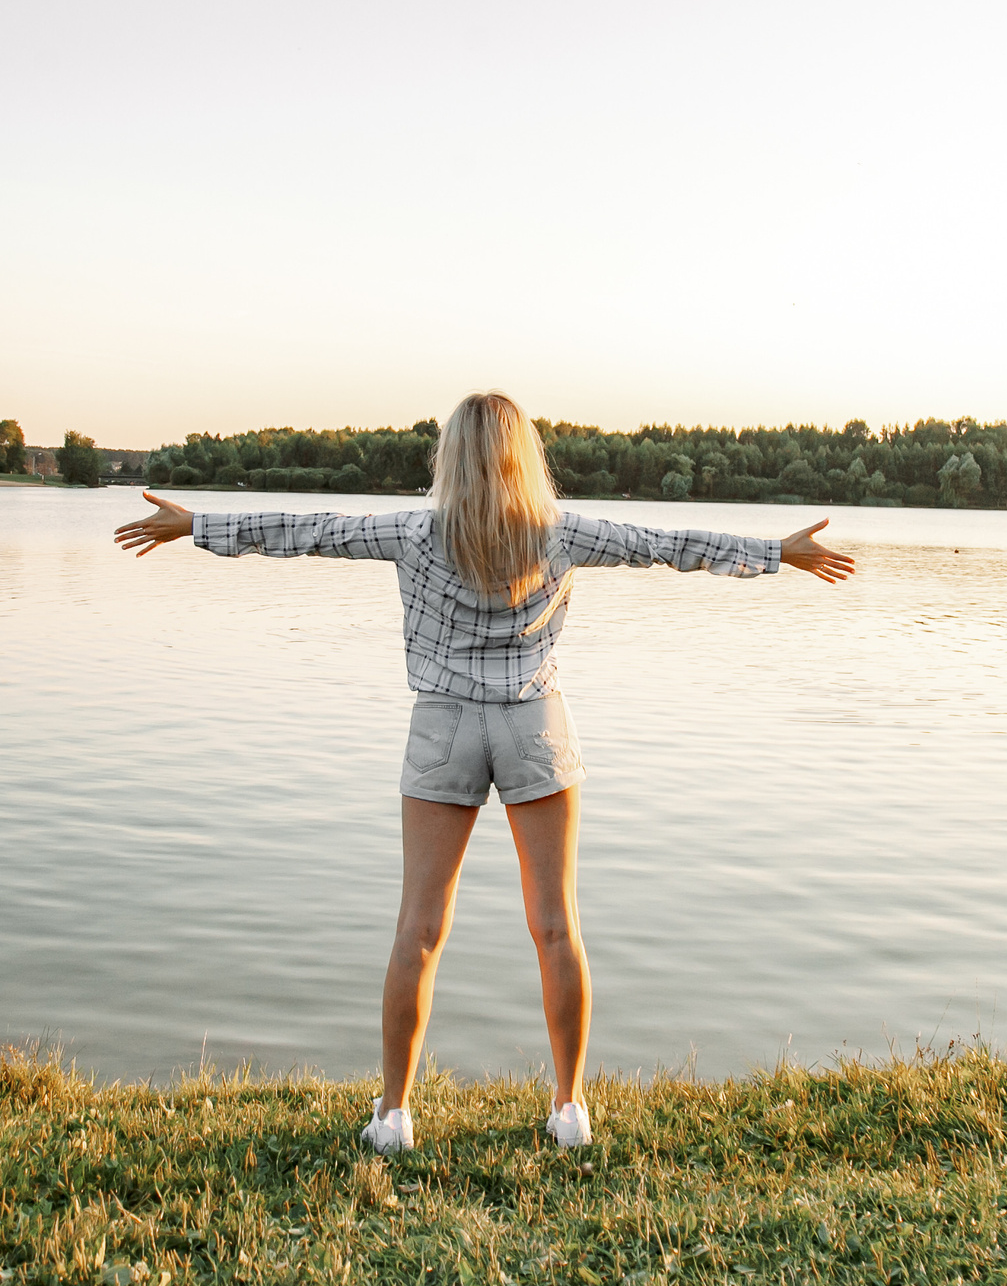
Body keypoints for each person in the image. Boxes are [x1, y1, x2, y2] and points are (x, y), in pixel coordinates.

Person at [115, 392, 854, 1153]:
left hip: (443, 725)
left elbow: (309, 531)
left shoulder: (412, 530)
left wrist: (198, 525)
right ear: (524, 456)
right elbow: (661, 542)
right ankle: (570, 1110)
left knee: (420, 928)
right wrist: (777, 552)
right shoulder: (560, 531)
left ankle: (394, 1115)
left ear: (451, 458)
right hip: (535, 722)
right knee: (557, 926)